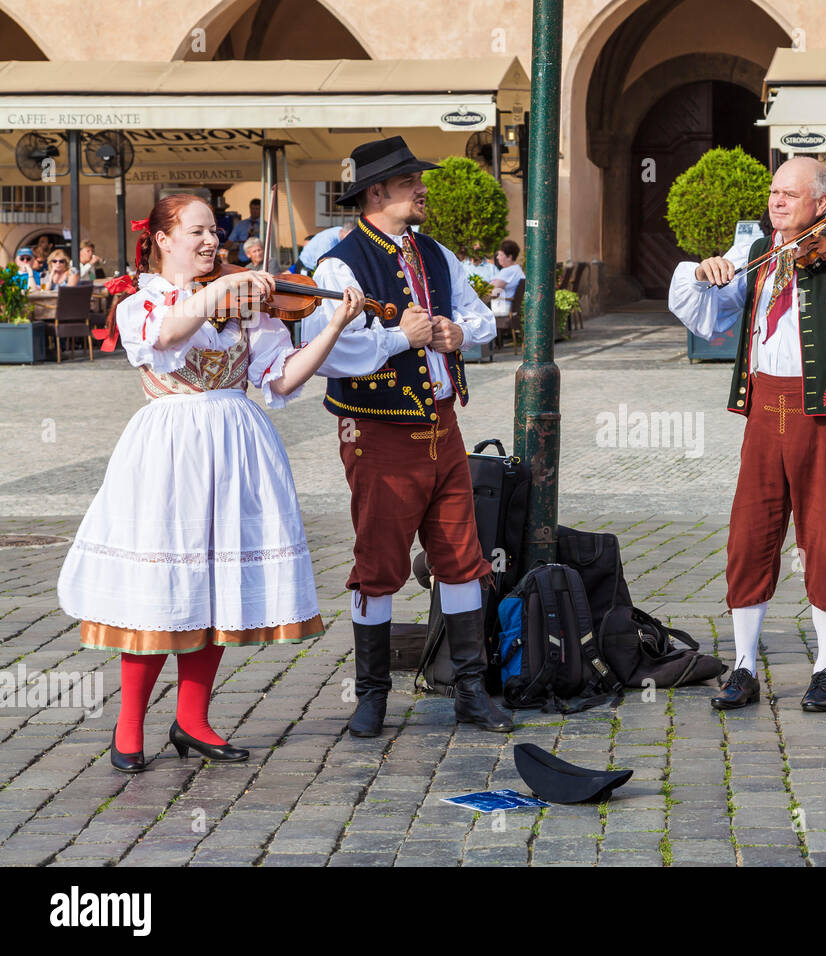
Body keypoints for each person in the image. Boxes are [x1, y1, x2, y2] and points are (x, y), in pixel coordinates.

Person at [57, 194, 365, 773]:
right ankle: (128, 728)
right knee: (160, 589)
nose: (210, 243)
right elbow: (169, 336)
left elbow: (281, 378)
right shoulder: (139, 301)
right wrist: (220, 288)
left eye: (215, 233)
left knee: (219, 581)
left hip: (239, 447)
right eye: (197, 232)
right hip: (169, 452)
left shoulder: (247, 305)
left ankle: (192, 719)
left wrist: (332, 329)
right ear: (164, 239)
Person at [668, 155, 826, 714]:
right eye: (774, 191)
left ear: (821, 202)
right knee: (751, 530)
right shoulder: (756, 254)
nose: (778, 200)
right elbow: (710, 317)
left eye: (790, 194)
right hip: (766, 403)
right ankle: (743, 667)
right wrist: (702, 273)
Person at [302, 136, 508, 737]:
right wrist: (402, 338)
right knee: (379, 562)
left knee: (463, 561)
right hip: (378, 431)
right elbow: (330, 351)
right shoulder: (340, 265)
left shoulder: (436, 254)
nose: (421, 188)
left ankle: (470, 689)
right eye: (409, 180)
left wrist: (453, 332)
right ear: (376, 193)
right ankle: (371, 696)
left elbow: (481, 315)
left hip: (443, 426)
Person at [490, 239, 524, 306]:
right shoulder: (516, 269)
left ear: (509, 257)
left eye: (501, 255)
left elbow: (492, 291)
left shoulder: (508, 271)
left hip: (501, 307)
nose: (497, 257)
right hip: (505, 306)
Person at [227, 199, 261, 264]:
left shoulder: (265, 226)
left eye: (257, 209)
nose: (254, 211)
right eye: (252, 208)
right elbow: (230, 240)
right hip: (242, 260)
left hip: (258, 260)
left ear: (261, 210)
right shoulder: (241, 224)